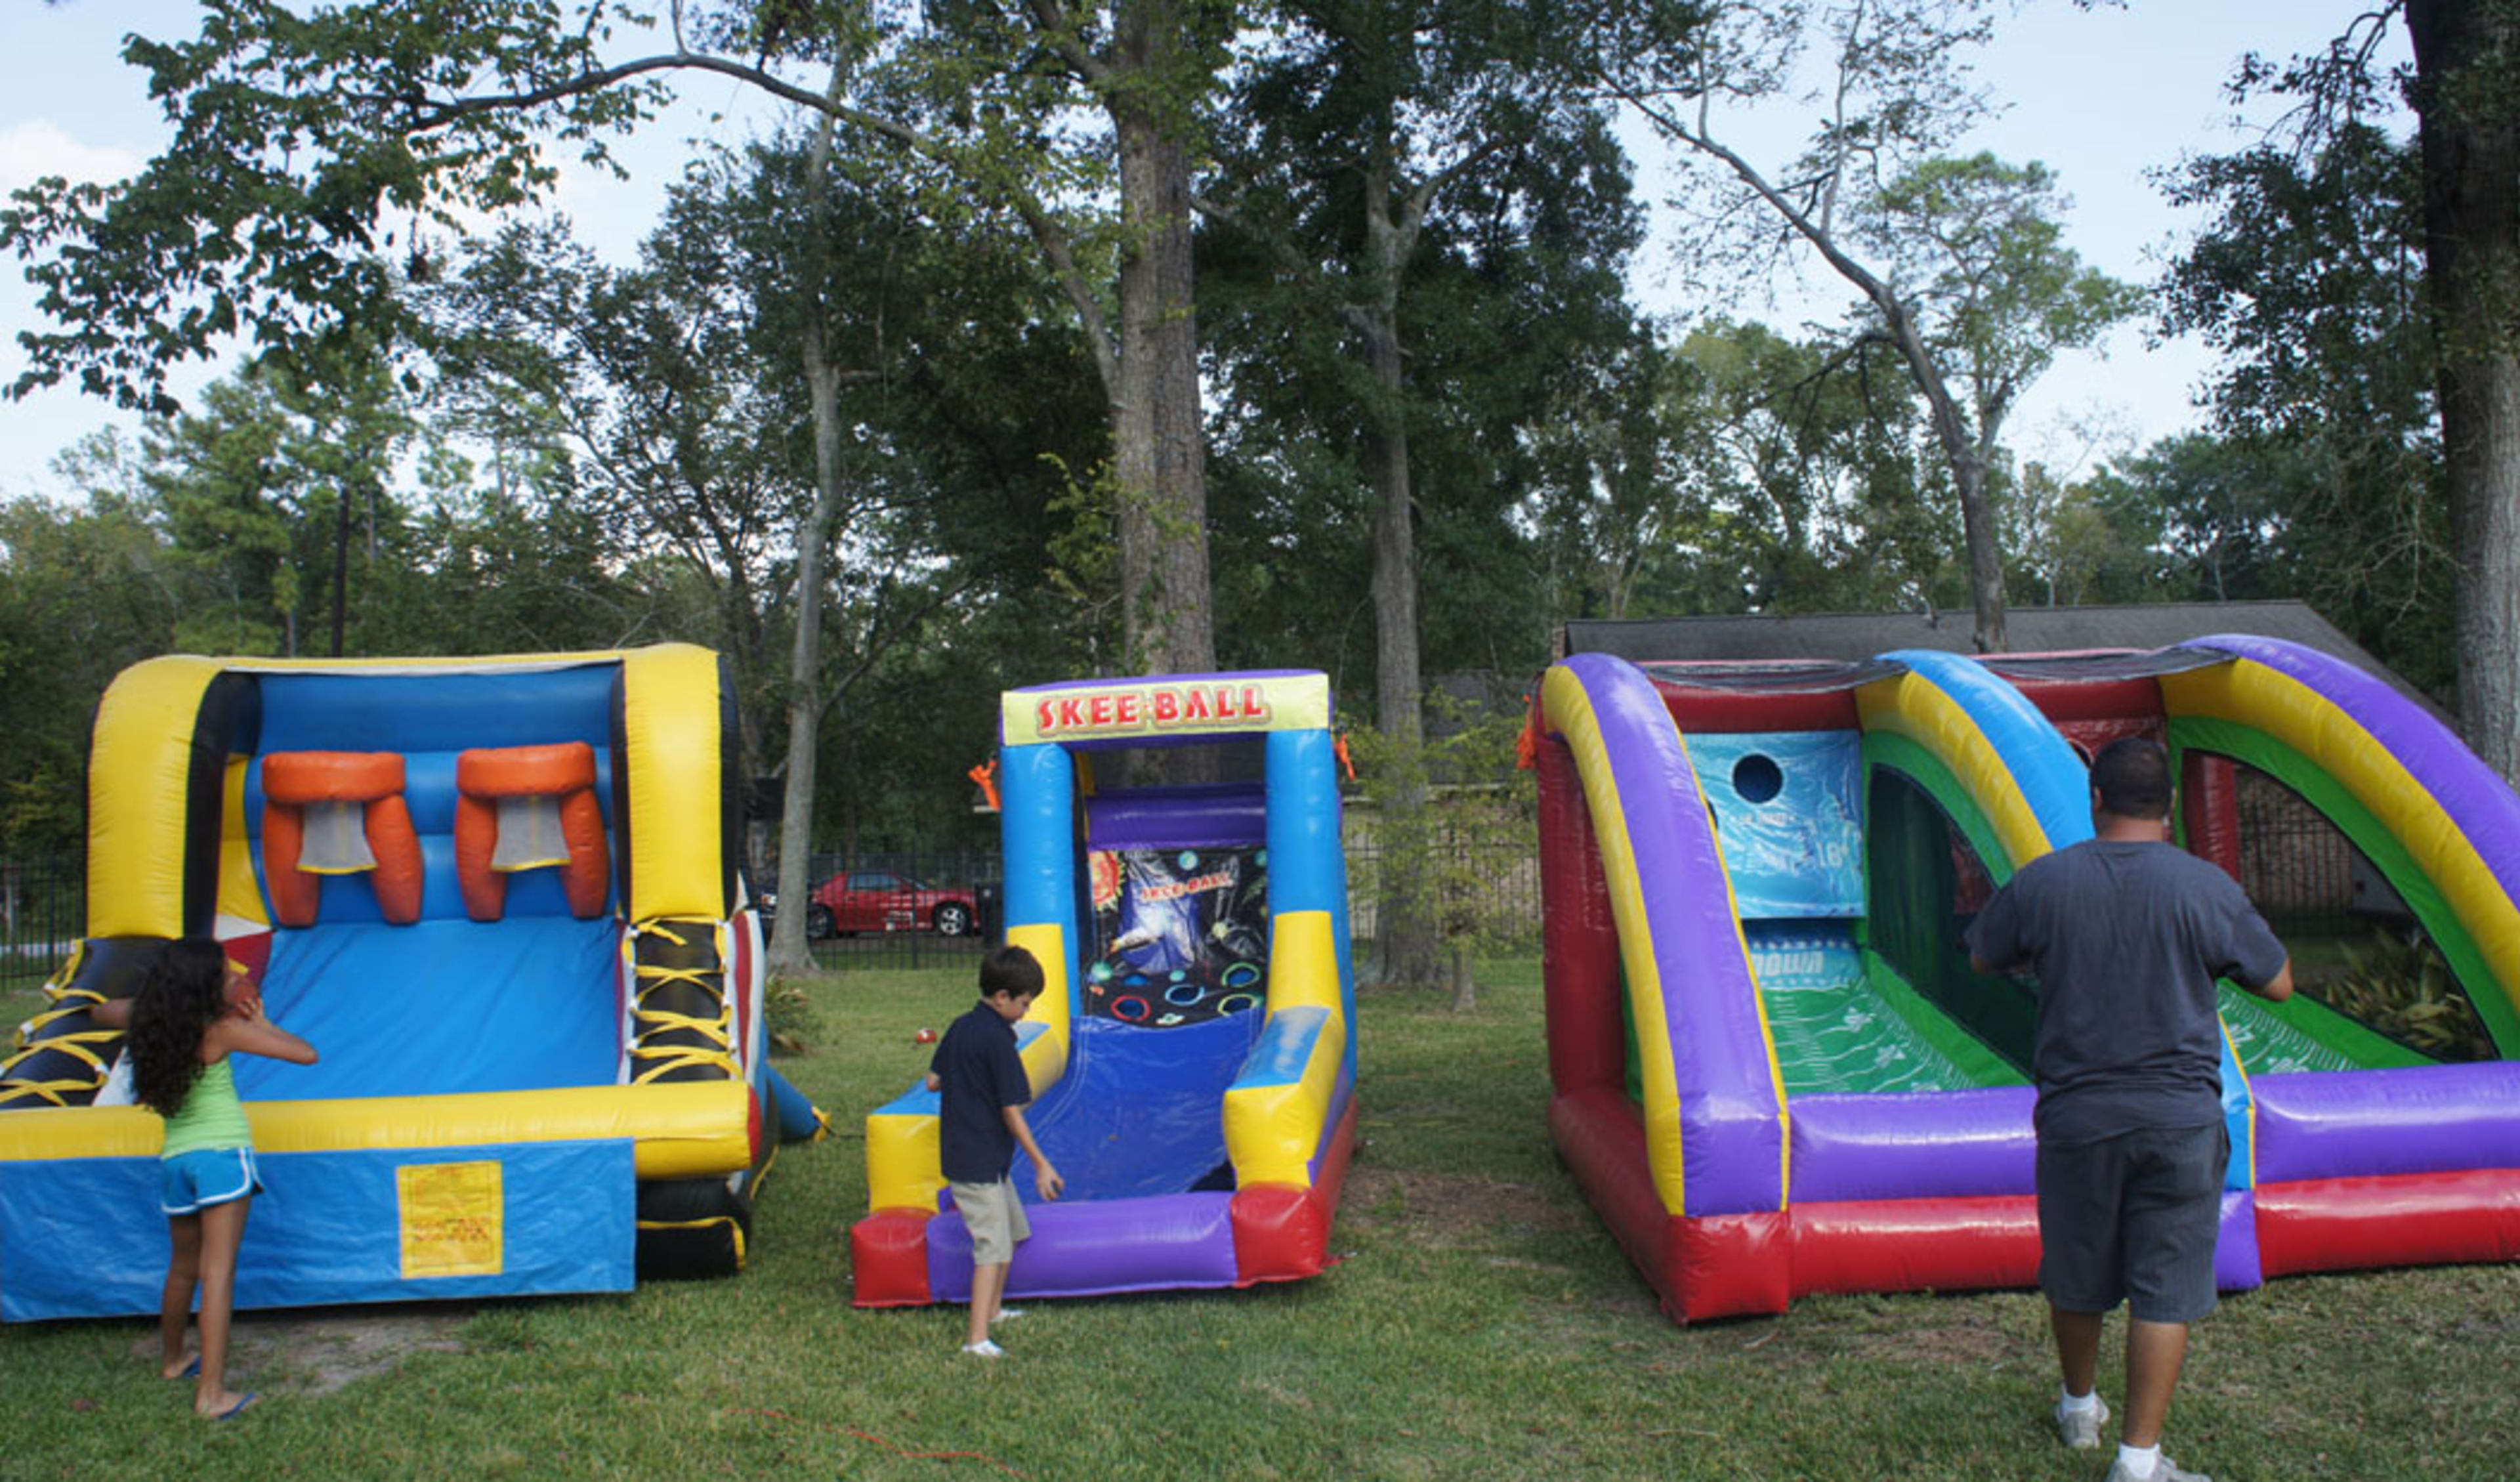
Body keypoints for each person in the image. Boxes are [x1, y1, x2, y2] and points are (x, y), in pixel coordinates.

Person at [1968, 737, 2293, 1482]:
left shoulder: (2046, 883)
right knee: (2165, 1284)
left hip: (2079, 1119)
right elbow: (2279, 983)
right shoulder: (2205, 887)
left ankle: (2079, 1407)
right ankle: (2139, 1462)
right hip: (2179, 1121)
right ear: (2170, 809)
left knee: (2077, 1273)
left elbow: (1984, 955)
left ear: (2095, 801)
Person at [95, 939, 319, 1419]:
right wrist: (262, 1025)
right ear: (204, 988)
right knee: (218, 1272)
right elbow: (306, 1055)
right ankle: (212, 1396)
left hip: (177, 1160)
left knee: (182, 1267)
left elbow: (101, 1012)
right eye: (224, 975)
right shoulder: (222, 1031)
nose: (233, 979)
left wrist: (149, 1006)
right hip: (221, 1158)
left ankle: (175, 1359)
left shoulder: (153, 1022)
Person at [924, 944, 1064, 1358]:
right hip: (978, 1161)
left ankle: (996, 1310)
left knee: (1014, 1233)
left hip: (974, 1155)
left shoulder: (962, 1026)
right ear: (1003, 997)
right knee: (992, 1247)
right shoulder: (1000, 1042)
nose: (1026, 1012)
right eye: (1024, 1004)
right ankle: (976, 1339)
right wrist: (1042, 1165)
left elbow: (934, 1081)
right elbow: (1012, 1112)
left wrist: (967, 1085)